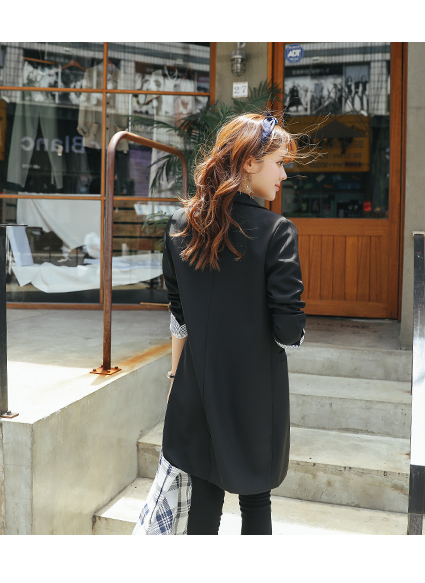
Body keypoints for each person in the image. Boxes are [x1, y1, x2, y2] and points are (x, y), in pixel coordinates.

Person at [161, 113, 306, 535]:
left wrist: (174, 376)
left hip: (197, 385)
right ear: (249, 162)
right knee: (256, 499)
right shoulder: (276, 231)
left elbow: (179, 315)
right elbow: (288, 333)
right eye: (279, 163)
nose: (284, 175)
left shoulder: (180, 225)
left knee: (205, 496)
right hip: (254, 392)